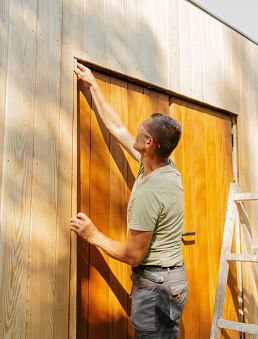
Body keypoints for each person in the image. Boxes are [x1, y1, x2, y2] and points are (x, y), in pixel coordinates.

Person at [70, 63, 188, 339]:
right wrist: (93, 86)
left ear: (148, 143)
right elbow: (118, 128)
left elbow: (133, 255)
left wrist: (93, 235)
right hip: (171, 280)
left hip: (157, 286)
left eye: (141, 128)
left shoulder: (151, 191)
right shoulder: (160, 165)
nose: (134, 129)